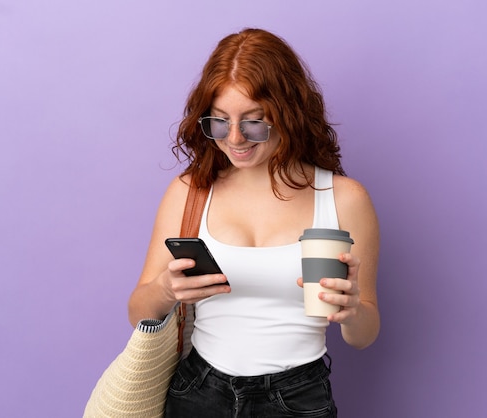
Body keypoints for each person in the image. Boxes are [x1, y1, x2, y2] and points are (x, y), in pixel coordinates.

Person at [128, 28, 380, 417]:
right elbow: (138, 310)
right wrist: (165, 289)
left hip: (298, 398)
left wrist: (353, 312)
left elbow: (364, 335)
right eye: (219, 121)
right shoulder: (190, 191)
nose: (235, 139)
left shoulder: (345, 198)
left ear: (288, 113)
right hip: (198, 391)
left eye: (253, 122)